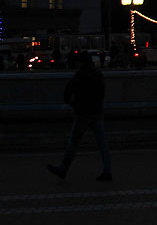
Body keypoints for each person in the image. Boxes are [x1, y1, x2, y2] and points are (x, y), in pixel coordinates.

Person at [47, 51, 112, 182]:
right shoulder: (97, 74)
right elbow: (102, 92)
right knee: (102, 144)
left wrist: (73, 104)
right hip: (96, 112)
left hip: (83, 113)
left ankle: (63, 169)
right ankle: (107, 170)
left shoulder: (80, 75)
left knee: (73, 143)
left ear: (81, 62)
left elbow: (68, 90)